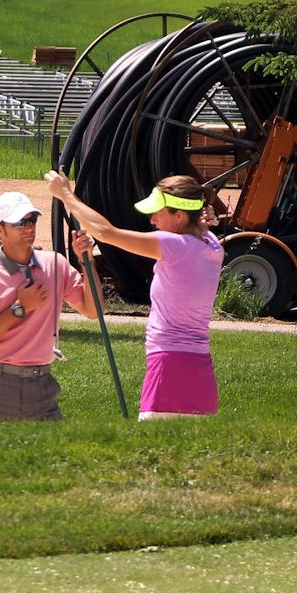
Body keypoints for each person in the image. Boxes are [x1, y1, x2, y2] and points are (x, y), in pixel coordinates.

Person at [45, 170, 226, 420]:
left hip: (168, 365)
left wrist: (65, 194)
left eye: (158, 212)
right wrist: (203, 219)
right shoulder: (212, 244)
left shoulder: (173, 246)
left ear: (180, 215)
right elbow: (200, 225)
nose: (152, 220)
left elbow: (105, 233)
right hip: (201, 372)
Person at [0, 191, 99, 423]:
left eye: (32, 220)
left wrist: (87, 261)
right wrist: (20, 308)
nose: (29, 227)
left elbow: (93, 312)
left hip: (42, 383)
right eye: (20, 223)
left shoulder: (56, 264)